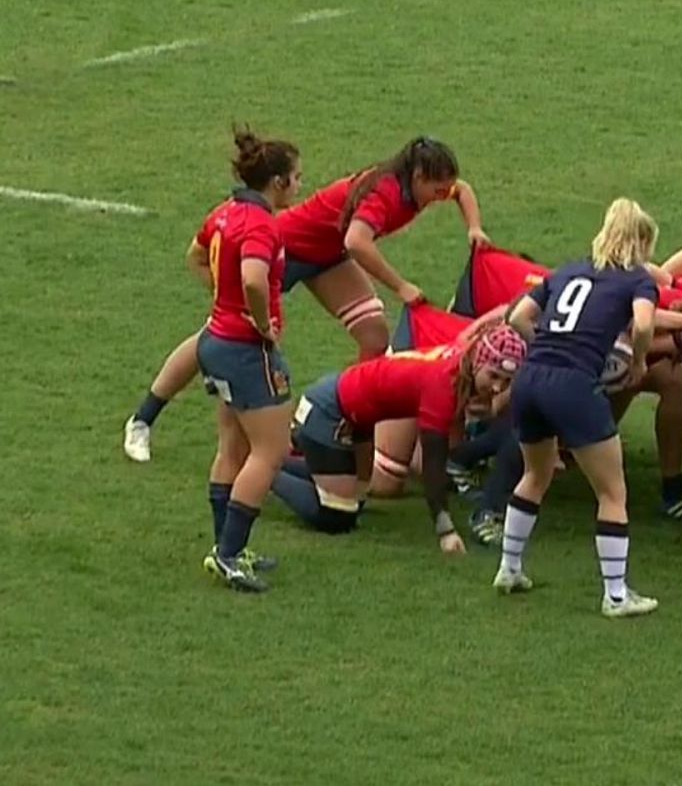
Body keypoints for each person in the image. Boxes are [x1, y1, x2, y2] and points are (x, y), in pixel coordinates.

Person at [122, 137, 486, 462]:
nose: (442, 196)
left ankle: (350, 428)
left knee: (374, 337)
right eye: (437, 190)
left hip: (326, 256)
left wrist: (474, 226)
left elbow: (462, 189)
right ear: (419, 176)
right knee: (213, 339)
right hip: (286, 250)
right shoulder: (385, 193)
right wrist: (402, 285)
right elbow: (356, 242)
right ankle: (143, 419)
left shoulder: (417, 182)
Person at [494, 199, 661, 618]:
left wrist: (547, 345)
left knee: (536, 473)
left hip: (531, 378)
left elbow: (518, 317)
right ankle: (617, 595)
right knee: (612, 492)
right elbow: (642, 325)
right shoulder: (637, 280)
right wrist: (639, 361)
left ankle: (509, 568)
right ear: (640, 240)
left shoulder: (566, 270)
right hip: (572, 384)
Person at [270, 326, 524, 548]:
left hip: (354, 415)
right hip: (330, 412)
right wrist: (445, 530)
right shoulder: (443, 384)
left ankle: (276, 463)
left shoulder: (463, 360)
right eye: (494, 376)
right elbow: (432, 465)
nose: (497, 388)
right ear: (479, 362)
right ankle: (265, 470)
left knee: (356, 500)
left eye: (506, 381)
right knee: (336, 516)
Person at [194, 127, 301, 592]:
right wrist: (261, 323)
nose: (301, 186)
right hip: (245, 350)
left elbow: (196, 256)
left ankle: (225, 546)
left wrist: (224, 300)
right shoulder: (261, 224)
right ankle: (230, 555)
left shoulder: (225, 212)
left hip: (215, 341)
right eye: (297, 178)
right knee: (271, 451)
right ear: (276, 182)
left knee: (233, 448)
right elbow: (255, 279)